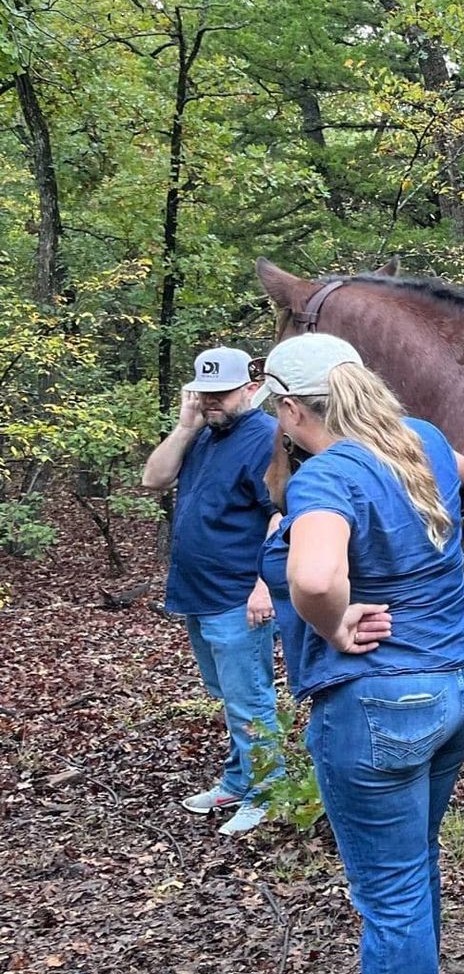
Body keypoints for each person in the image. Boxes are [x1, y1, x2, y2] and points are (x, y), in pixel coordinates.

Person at [255, 332, 464, 974]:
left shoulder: (328, 476)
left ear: (292, 409)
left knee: (388, 891)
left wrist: (334, 622)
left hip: (382, 703)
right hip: (460, 685)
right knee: (411, 867)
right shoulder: (417, 439)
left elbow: (316, 575)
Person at [141, 344, 282, 836]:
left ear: (250, 388)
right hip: (197, 592)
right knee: (226, 693)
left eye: (221, 393)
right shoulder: (202, 434)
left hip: (238, 596)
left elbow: (283, 513)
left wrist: (265, 585)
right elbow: (152, 479)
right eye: (204, 393)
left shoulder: (265, 437)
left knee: (250, 698)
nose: (211, 402)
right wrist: (185, 426)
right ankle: (239, 780)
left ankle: (266, 792)